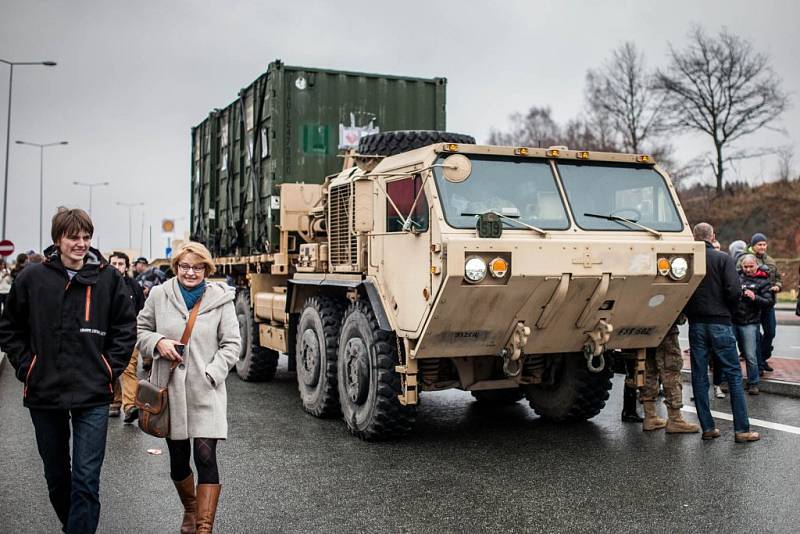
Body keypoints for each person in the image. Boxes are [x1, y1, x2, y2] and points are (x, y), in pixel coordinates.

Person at [0, 208, 137, 533]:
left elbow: (125, 327)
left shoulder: (108, 279)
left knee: (86, 479)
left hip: (93, 392)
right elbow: (9, 329)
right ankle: (74, 526)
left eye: (86, 237)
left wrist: (108, 367)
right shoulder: (32, 279)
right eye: (73, 237)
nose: (80, 243)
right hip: (45, 390)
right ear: (57, 239)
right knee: (57, 477)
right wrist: (27, 366)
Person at [136, 242, 240, 533]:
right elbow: (140, 330)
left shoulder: (221, 300)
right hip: (171, 393)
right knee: (179, 461)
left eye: (197, 267)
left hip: (206, 389)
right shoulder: (159, 295)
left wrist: (212, 373)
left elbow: (232, 344)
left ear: (207, 269)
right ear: (176, 267)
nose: (190, 272)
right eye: (185, 266)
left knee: (206, 456)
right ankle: (191, 510)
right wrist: (158, 342)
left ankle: (204, 527)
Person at [684, 222, 759, 442]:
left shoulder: (688, 260)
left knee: (699, 376)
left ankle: (708, 428)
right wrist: (730, 311)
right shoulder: (722, 258)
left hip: (696, 324)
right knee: (734, 375)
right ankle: (741, 430)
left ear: (694, 238)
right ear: (712, 236)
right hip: (721, 323)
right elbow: (734, 290)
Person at [639, 316, 699, 434]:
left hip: (643, 331)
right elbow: (680, 319)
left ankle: (650, 416)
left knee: (648, 371)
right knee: (671, 372)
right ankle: (675, 419)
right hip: (665, 331)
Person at [108, 251, 146, 421]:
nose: (117, 267)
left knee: (129, 368)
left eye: (120, 264)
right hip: (107, 335)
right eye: (114, 264)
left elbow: (142, 310)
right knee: (111, 368)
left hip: (130, 334)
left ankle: (130, 406)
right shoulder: (100, 285)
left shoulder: (134, 286)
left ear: (126, 266)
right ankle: (114, 402)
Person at [738, 233, 781, 373]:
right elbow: (739, 277)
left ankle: (762, 357)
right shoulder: (743, 259)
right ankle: (759, 363)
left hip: (767, 302)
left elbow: (778, 278)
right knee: (755, 336)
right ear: (753, 245)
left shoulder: (771, 261)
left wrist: (778, 286)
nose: (762, 247)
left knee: (770, 332)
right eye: (759, 244)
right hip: (751, 305)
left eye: (764, 244)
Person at [733, 254, 774, 395]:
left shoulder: (763, 281)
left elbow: (769, 302)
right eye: (745, 266)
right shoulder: (735, 277)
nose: (748, 269)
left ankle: (753, 383)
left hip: (750, 322)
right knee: (730, 353)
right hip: (733, 320)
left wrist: (754, 297)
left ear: (756, 265)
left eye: (751, 266)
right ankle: (730, 381)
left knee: (750, 355)